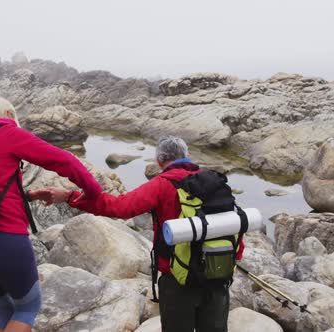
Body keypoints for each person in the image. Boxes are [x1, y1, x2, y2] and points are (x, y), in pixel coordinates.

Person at [38, 136, 240, 332]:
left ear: (159, 161)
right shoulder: (214, 182)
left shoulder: (162, 184)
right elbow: (233, 224)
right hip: (217, 273)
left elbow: (119, 207)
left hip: (177, 278)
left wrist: (70, 197)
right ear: (188, 155)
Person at [0, 97, 102, 332]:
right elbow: (64, 160)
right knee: (28, 307)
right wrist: (93, 192)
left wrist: (30, 195)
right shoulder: (8, 132)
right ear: (6, 113)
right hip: (3, 237)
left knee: (5, 308)